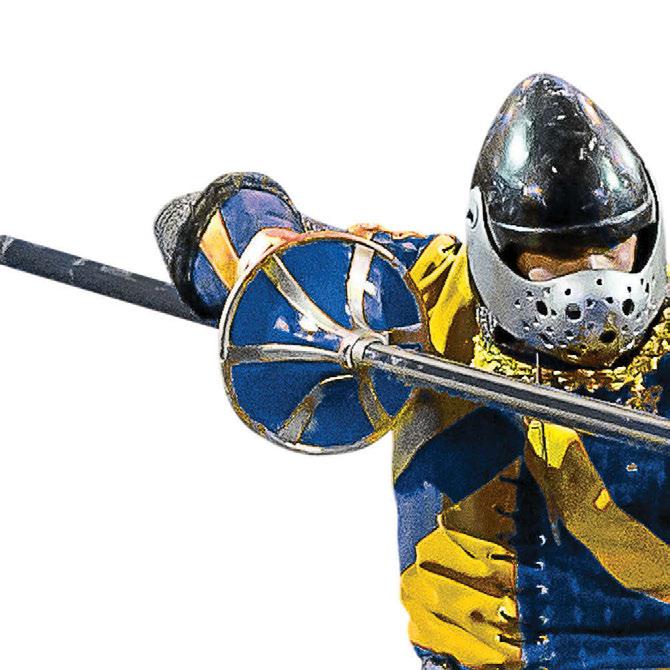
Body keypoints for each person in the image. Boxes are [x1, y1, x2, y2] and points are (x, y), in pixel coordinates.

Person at [154, 74, 670, 669]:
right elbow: (198, 222)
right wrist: (265, 250)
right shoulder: (418, 289)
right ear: (497, 246)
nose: (595, 280)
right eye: (555, 259)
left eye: (614, 249)